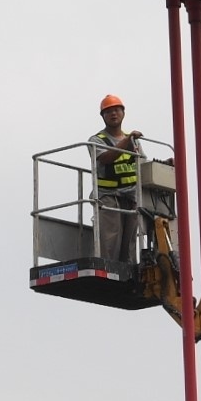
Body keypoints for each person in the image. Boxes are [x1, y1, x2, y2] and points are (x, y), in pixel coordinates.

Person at [88, 94, 146, 270]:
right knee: (110, 239)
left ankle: (128, 273)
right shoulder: (96, 140)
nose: (113, 114)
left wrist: (164, 164)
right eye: (108, 111)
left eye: (116, 110)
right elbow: (105, 158)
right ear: (103, 116)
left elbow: (142, 165)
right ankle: (108, 271)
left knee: (129, 241)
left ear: (123, 113)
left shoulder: (133, 140)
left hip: (131, 197)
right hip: (108, 197)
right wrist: (126, 141)